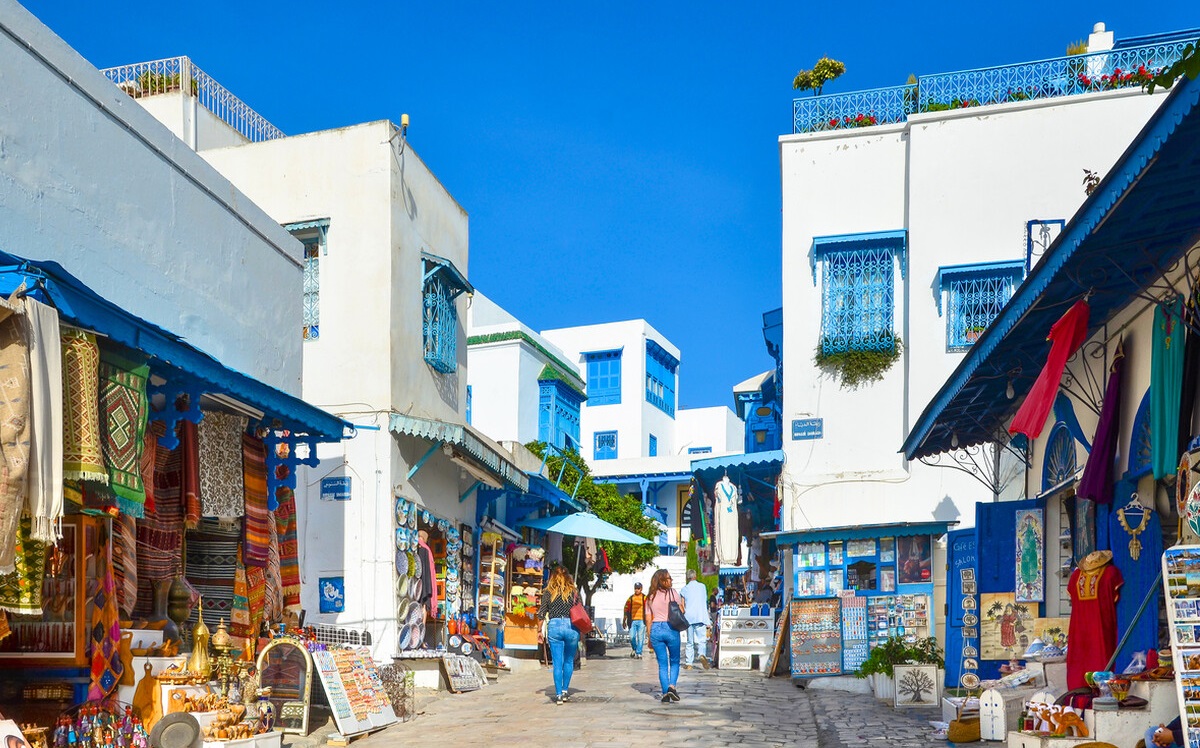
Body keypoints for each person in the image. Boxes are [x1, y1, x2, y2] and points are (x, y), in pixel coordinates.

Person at [538, 566, 582, 705]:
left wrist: (539, 631)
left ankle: (557, 695)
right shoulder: (574, 592)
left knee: (557, 663)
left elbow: (541, 613)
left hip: (555, 627)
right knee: (568, 661)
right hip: (571, 627)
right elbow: (580, 610)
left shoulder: (548, 592)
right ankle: (564, 691)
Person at [645, 568, 683, 702]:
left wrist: (649, 637)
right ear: (662, 580)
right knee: (674, 661)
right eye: (669, 578)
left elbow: (648, 619)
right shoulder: (673, 593)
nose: (671, 580)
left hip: (656, 629)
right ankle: (672, 686)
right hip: (671, 628)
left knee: (662, 664)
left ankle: (665, 692)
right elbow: (681, 610)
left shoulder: (650, 596)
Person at [679, 570, 711, 669]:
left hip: (689, 618)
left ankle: (689, 663)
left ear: (688, 578)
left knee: (690, 642)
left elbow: (682, 605)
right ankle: (702, 654)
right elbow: (704, 600)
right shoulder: (702, 587)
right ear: (695, 576)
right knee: (701, 640)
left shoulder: (684, 589)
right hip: (700, 616)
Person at [623, 582, 647, 659]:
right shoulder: (631, 598)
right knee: (632, 637)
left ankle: (639, 652)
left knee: (640, 638)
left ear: (641, 589)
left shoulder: (644, 598)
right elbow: (626, 609)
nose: (637, 590)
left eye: (638, 588)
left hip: (641, 621)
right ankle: (635, 648)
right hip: (632, 621)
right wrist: (624, 620)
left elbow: (649, 608)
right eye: (635, 588)